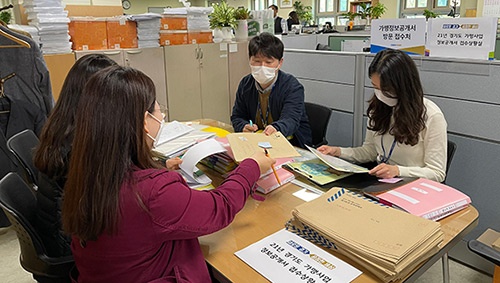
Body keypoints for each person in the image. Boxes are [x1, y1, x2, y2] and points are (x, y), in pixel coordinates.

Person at [62, 65, 275, 282]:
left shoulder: (88, 171)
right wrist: (252, 166)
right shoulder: (153, 194)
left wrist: (159, 171)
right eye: (157, 109)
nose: (161, 115)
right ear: (145, 121)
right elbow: (220, 207)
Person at [318, 49, 447, 182]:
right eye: (375, 87)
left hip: (412, 186)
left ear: (403, 86)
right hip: (382, 182)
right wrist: (338, 152)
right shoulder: (378, 109)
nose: (380, 94)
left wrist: (397, 170)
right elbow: (370, 151)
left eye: (386, 89)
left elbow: (437, 172)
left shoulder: (431, 116)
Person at [231, 32, 312, 148]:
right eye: (257, 61)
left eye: (268, 62)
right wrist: (243, 126)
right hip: (256, 143)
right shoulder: (245, 84)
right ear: (249, 60)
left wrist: (276, 128)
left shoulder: (292, 86)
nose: (262, 66)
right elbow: (237, 116)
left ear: (280, 63)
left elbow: (291, 120)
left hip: (290, 143)